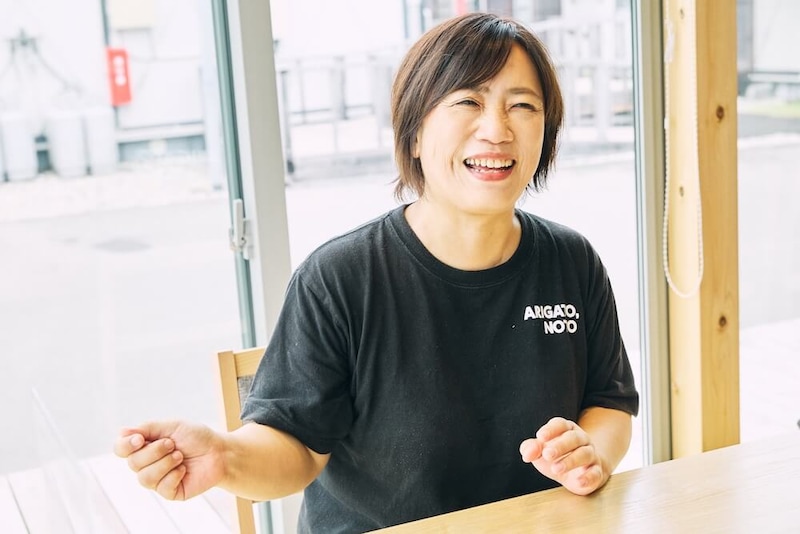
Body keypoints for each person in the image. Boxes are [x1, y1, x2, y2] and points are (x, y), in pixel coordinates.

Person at [114, 12, 639, 532]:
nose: (497, 129)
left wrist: (590, 453)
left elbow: (608, 401)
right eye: (468, 102)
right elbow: (297, 445)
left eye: (522, 106)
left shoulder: (572, 261)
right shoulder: (339, 279)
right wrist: (224, 457)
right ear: (413, 135)